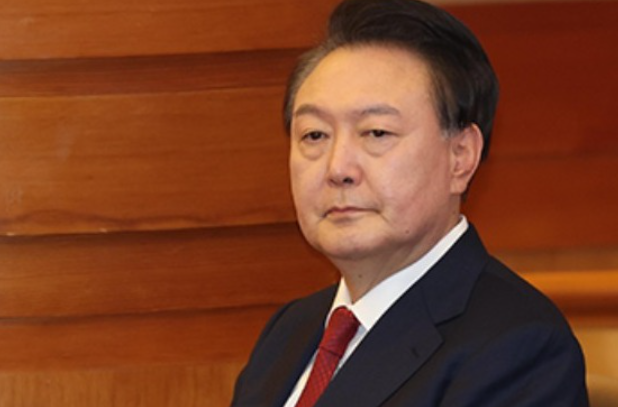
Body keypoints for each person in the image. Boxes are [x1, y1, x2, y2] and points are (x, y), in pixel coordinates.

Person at [231, 0, 589, 405]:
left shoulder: (519, 349)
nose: (338, 168)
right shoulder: (289, 331)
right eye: (315, 135)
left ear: (460, 156)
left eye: (377, 133)